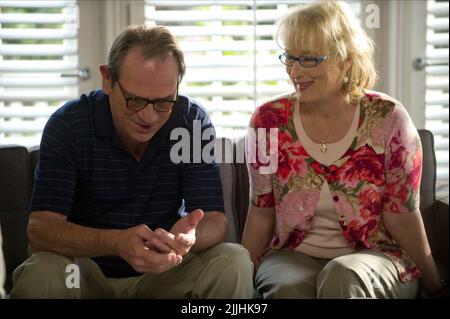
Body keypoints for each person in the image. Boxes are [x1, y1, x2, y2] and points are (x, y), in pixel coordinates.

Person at [10, 25, 253, 299]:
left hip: (163, 275)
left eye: (164, 101)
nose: (149, 117)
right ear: (107, 79)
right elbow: (41, 229)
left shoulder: (190, 122)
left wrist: (185, 240)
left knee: (233, 261)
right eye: (135, 100)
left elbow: (213, 220)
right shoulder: (69, 124)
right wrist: (116, 243)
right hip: (82, 274)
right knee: (42, 272)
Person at [242, 1, 446, 299]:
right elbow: (261, 212)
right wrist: (240, 283)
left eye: (309, 59)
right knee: (286, 288)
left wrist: (436, 285)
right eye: (290, 57)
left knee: (343, 277)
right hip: (291, 256)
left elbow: (402, 216)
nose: (295, 71)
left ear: (346, 60)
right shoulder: (267, 121)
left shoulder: (389, 118)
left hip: (376, 256)